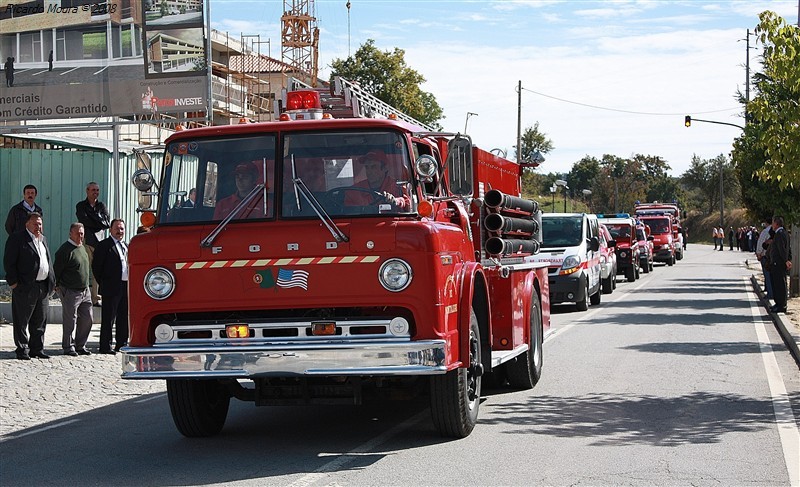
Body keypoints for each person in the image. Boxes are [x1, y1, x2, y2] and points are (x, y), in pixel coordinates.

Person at [3, 212, 56, 360]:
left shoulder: (42, 239)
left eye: (40, 223)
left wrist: (51, 281)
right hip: (25, 287)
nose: (38, 226)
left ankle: (37, 349)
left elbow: (47, 261)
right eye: (35, 223)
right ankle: (22, 349)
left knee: (40, 320)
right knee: (22, 320)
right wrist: (13, 283)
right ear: (27, 224)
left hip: (43, 287)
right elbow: (9, 262)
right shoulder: (17, 238)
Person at [53, 223, 93, 357]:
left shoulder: (82, 248)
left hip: (85, 290)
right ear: (71, 233)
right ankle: (68, 346)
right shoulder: (65, 250)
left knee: (88, 318)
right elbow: (56, 270)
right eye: (78, 233)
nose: (80, 236)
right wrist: (57, 286)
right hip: (70, 290)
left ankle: (80, 345)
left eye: (82, 233)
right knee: (70, 320)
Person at [92, 219, 129, 354]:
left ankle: (122, 343)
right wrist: (104, 283)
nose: (120, 231)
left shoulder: (125, 245)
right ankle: (105, 346)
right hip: (111, 287)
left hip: (125, 285)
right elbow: (97, 267)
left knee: (123, 317)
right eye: (117, 229)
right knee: (109, 318)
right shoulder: (104, 246)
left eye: (122, 229)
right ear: (111, 230)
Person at [75, 181, 111, 305]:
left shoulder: (102, 206)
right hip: (86, 240)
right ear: (87, 191)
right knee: (84, 269)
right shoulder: (81, 205)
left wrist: (93, 218)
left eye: (97, 190)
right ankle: (83, 297)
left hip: (100, 242)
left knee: (98, 270)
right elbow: (84, 220)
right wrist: (97, 219)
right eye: (93, 190)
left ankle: (96, 297)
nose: (95, 193)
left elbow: (106, 223)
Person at [344, 151, 410, 210]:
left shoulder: (396, 187)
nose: (369, 172)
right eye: (367, 167)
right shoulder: (355, 190)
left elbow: (407, 204)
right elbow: (347, 211)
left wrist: (395, 201)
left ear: (385, 168)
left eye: (373, 167)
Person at [767, 216, 791, 313]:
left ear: (776, 224)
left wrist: (786, 260)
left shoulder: (780, 234)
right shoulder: (781, 233)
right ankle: (778, 303)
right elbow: (787, 249)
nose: (772, 225)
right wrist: (789, 259)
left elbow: (783, 249)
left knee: (780, 284)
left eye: (773, 223)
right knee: (776, 284)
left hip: (779, 263)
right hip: (777, 263)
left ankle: (781, 305)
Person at [756, 218, 773, 299]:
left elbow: (761, 242)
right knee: (770, 275)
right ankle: (768, 290)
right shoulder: (774, 231)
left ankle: (770, 293)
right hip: (772, 256)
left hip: (765, 255)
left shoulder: (766, 231)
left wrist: (758, 253)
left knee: (767, 275)